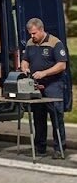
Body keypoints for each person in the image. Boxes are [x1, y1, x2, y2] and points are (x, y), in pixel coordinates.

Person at [20, 18, 69, 158]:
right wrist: (25, 68)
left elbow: (62, 65)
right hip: (37, 86)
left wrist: (44, 73)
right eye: (30, 33)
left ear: (41, 30)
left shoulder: (55, 43)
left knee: (56, 116)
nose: (32, 36)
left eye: (34, 33)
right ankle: (40, 147)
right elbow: (25, 60)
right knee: (38, 117)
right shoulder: (30, 43)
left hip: (53, 84)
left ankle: (59, 148)